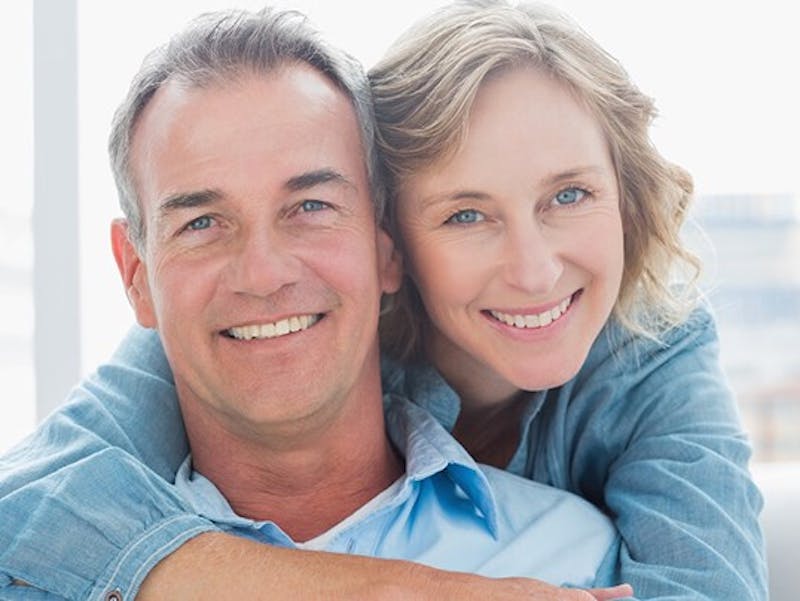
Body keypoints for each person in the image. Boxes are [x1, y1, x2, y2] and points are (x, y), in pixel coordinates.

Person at [0, 1, 766, 599]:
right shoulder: (229, 329)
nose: (533, 270)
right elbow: (23, 502)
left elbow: (710, 585)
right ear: (394, 238)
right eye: (467, 214)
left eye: (569, 194)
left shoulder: (652, 354)